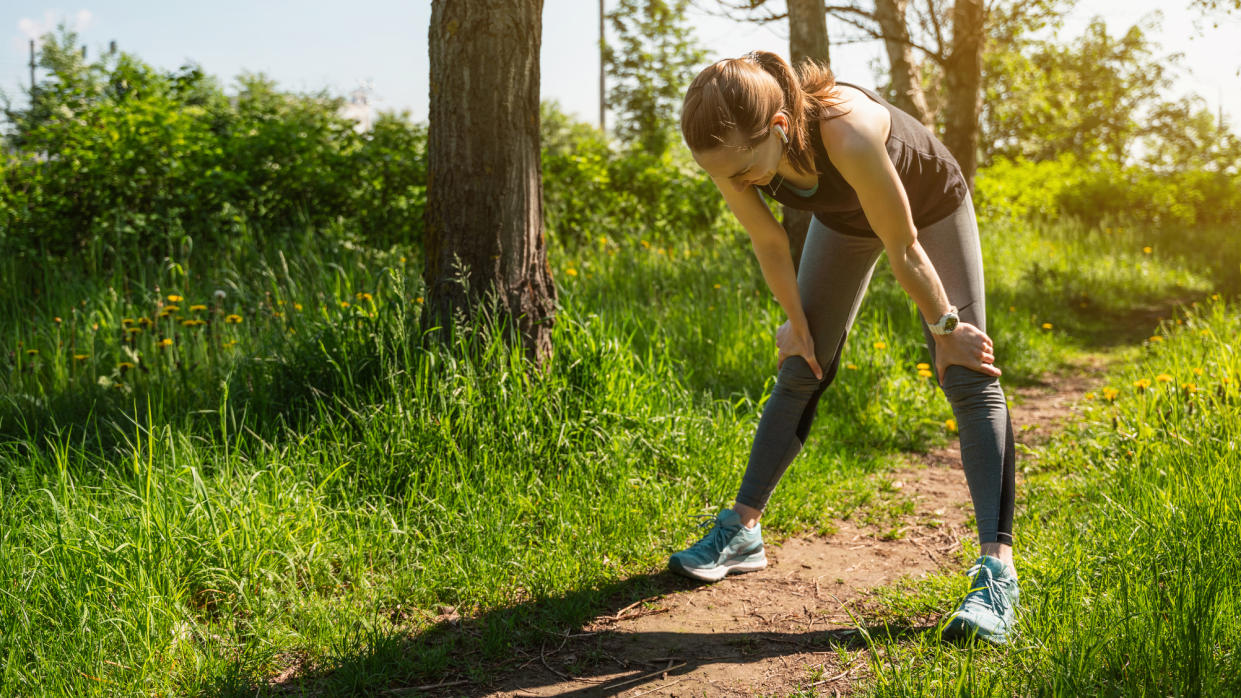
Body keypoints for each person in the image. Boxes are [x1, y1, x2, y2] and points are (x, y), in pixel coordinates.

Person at [668, 51, 1020, 645]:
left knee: (966, 367)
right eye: (724, 173)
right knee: (802, 365)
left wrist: (944, 327)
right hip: (843, 219)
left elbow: (905, 247)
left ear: (780, 127)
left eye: (746, 170)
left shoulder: (847, 133)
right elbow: (770, 240)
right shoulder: (727, 147)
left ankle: (997, 574)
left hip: (929, 204)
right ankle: (743, 531)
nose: (738, 182)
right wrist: (795, 324)